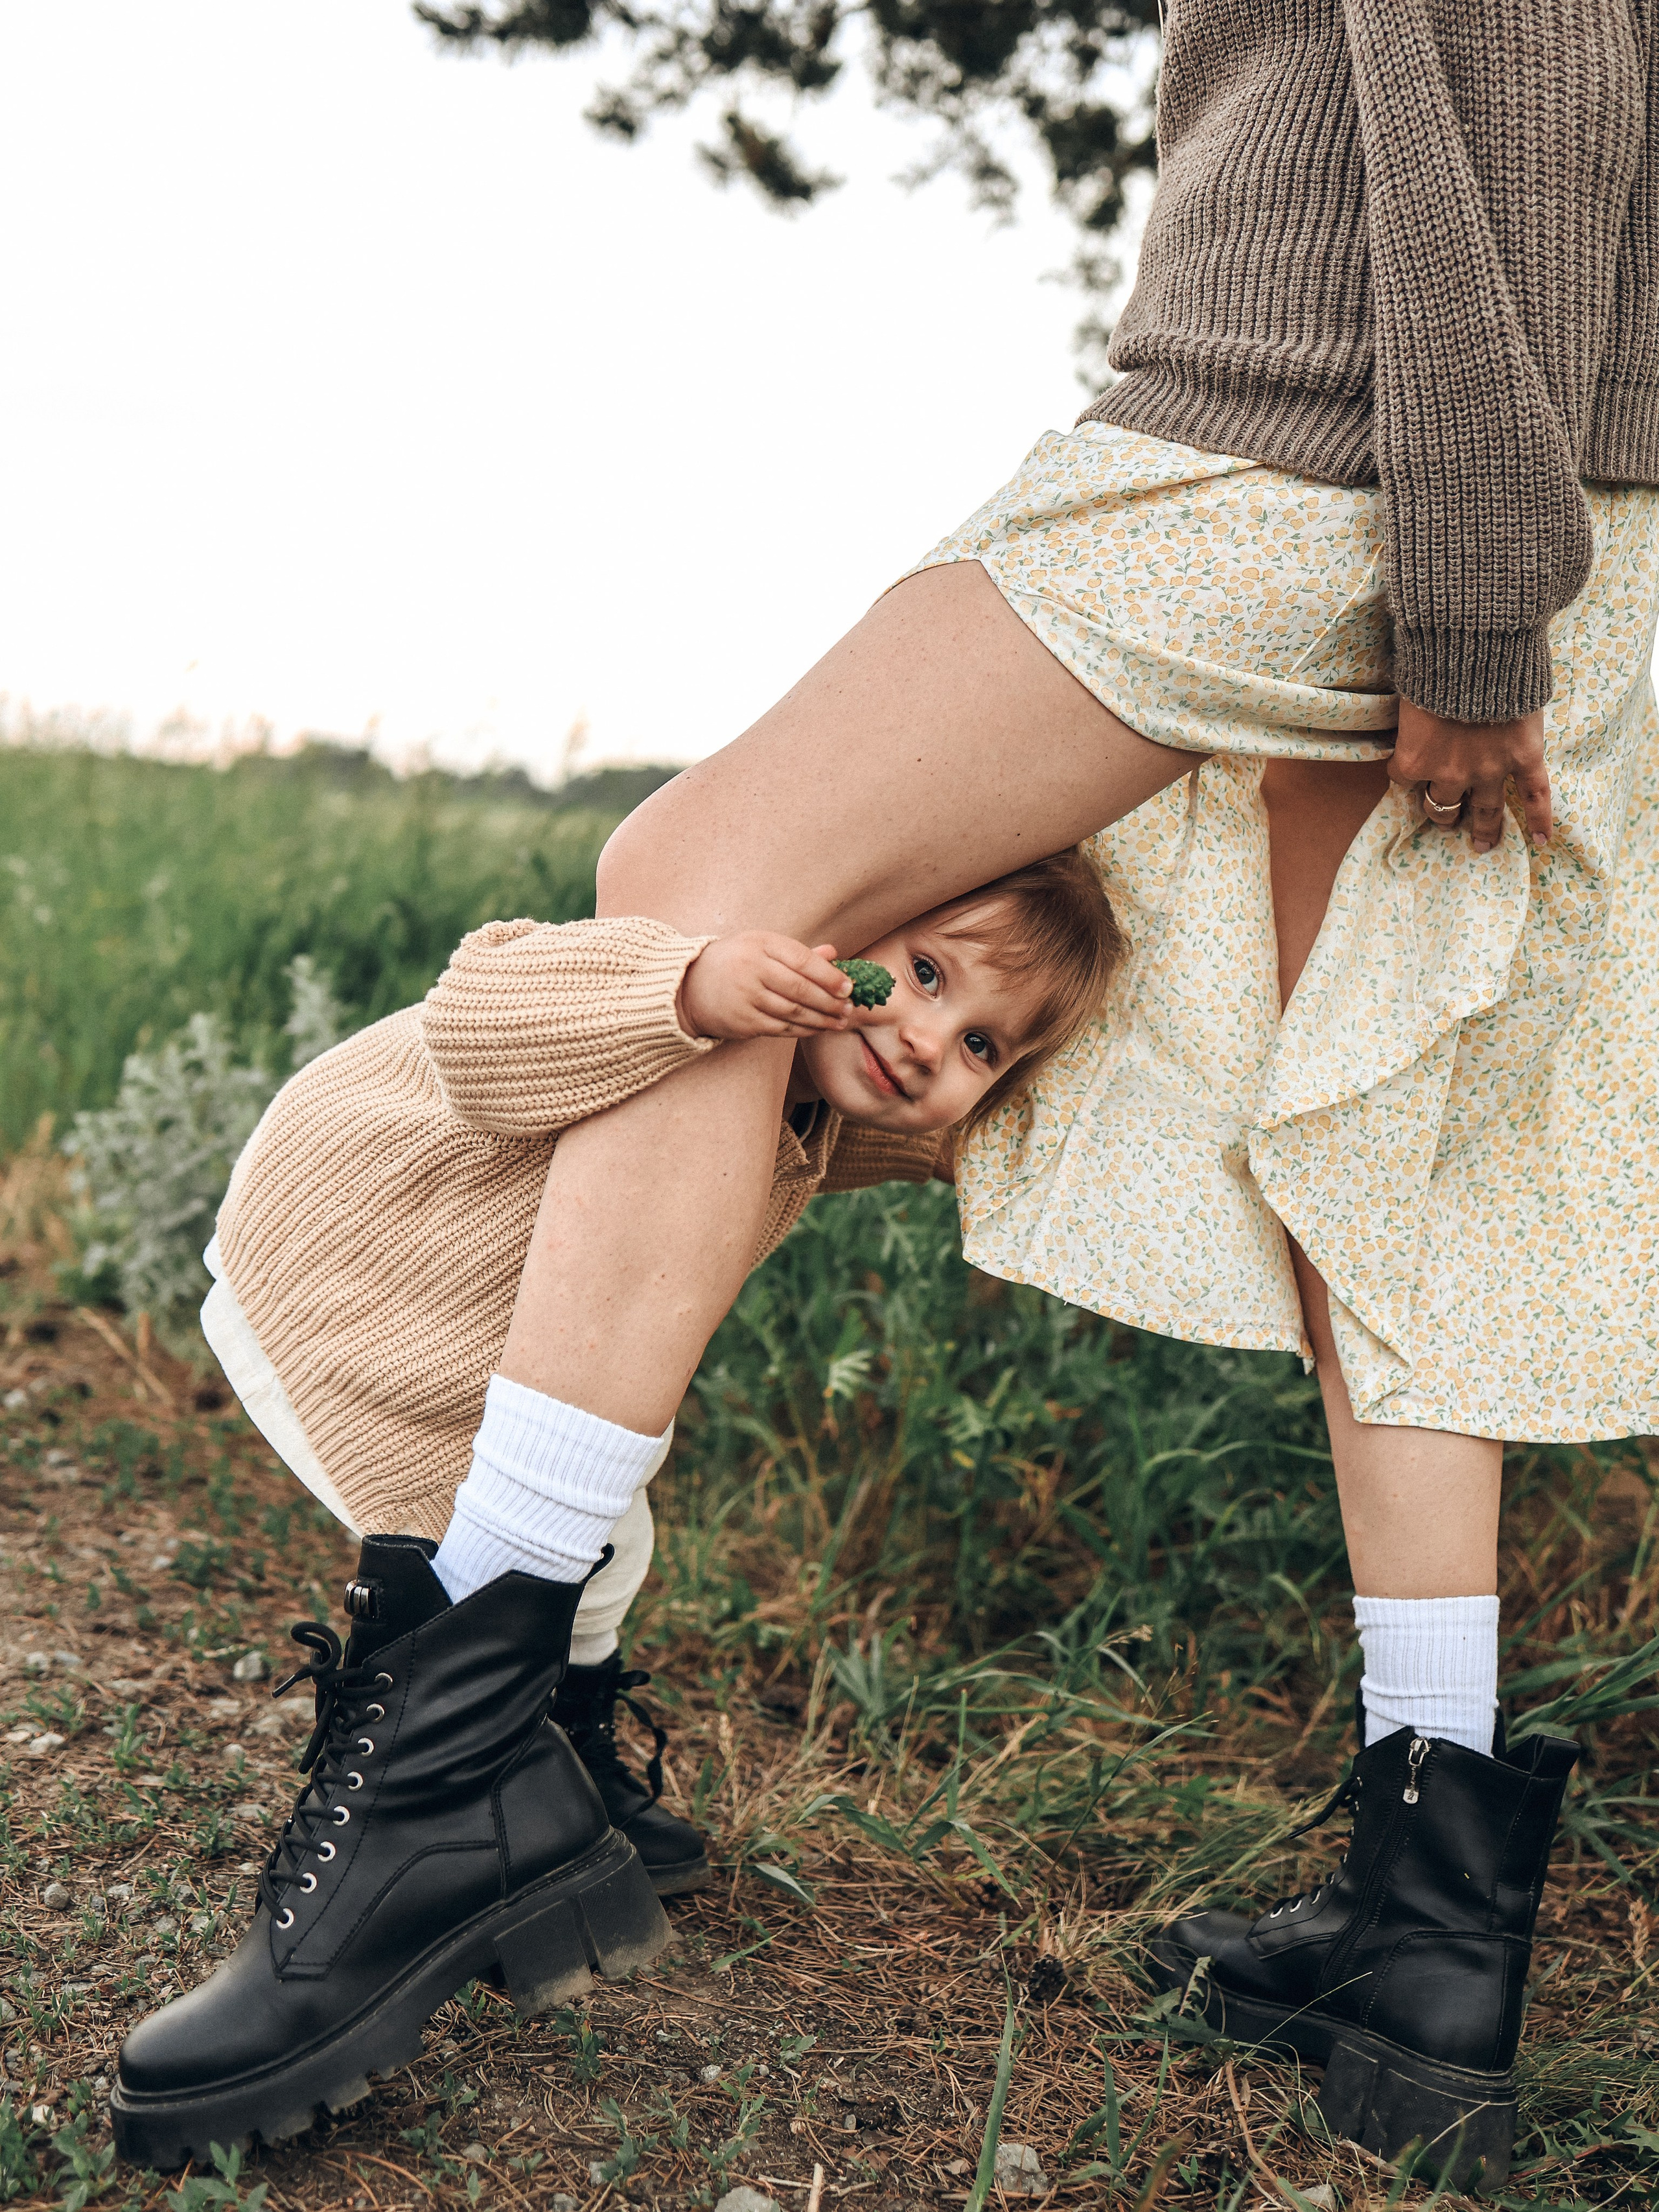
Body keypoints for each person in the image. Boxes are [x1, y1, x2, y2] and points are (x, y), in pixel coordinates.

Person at [115, 0, 1659, 2187]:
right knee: (1366, 1154)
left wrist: (1486, 597)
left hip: (1299, 439)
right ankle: (1424, 1932)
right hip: (1477, 453)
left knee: (703, 891)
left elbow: (1545, 69)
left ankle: (468, 1741)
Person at [108, 854, 1120, 2165]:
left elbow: (970, 1136)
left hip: (447, 1313)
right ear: (850, 918)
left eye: (978, 1040)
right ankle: (457, 1787)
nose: (926, 1039)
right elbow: (479, 1013)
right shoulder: (673, 974)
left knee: (604, 1524)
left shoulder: (819, 1095)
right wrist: (690, 982)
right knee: (472, 1560)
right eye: (919, 972)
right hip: (351, 1275)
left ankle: (552, 1777)